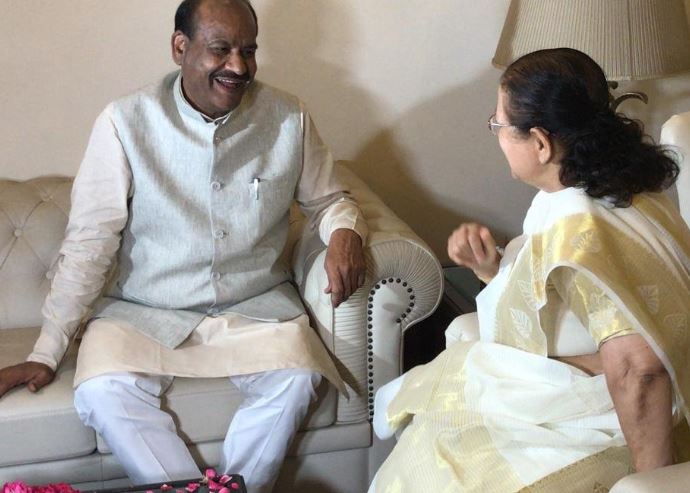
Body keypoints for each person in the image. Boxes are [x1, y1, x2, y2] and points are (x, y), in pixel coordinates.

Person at [0, 1, 368, 492]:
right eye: (221, 49)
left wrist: (345, 231)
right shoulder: (124, 121)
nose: (238, 66)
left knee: (298, 377)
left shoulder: (289, 116)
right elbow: (90, 241)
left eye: (249, 51)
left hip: (252, 309)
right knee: (102, 389)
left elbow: (329, 199)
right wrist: (48, 350)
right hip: (143, 310)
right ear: (180, 48)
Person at [368, 48, 690, 492]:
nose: (495, 133)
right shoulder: (625, 190)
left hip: (595, 421)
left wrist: (653, 482)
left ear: (540, 143)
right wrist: (491, 269)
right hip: (568, 383)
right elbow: (575, 305)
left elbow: (640, 367)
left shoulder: (580, 229)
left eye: (498, 124)